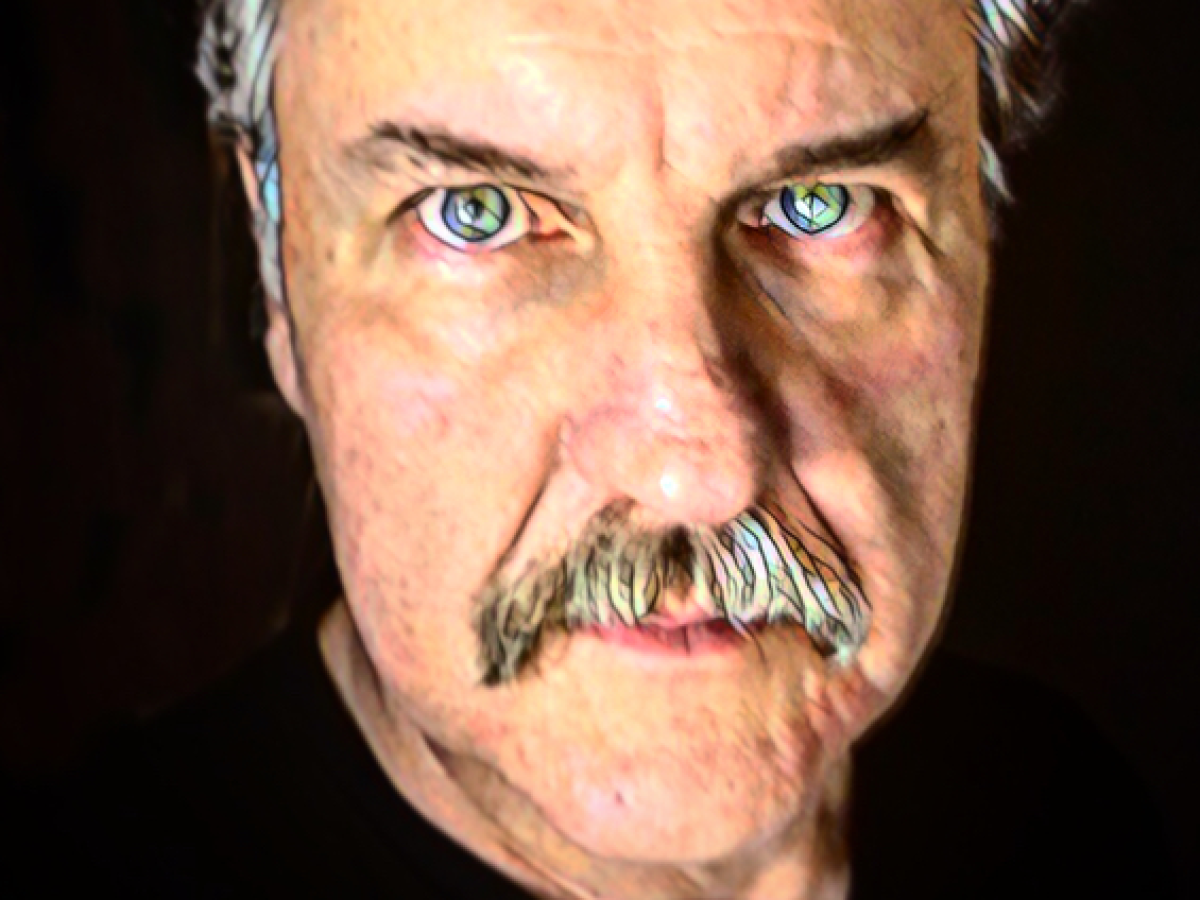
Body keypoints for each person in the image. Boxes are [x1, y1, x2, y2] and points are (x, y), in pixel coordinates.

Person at [3, 0, 1177, 897]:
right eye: (476, 214)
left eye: (821, 205)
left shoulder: (1057, 816)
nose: (692, 470)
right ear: (279, 266)